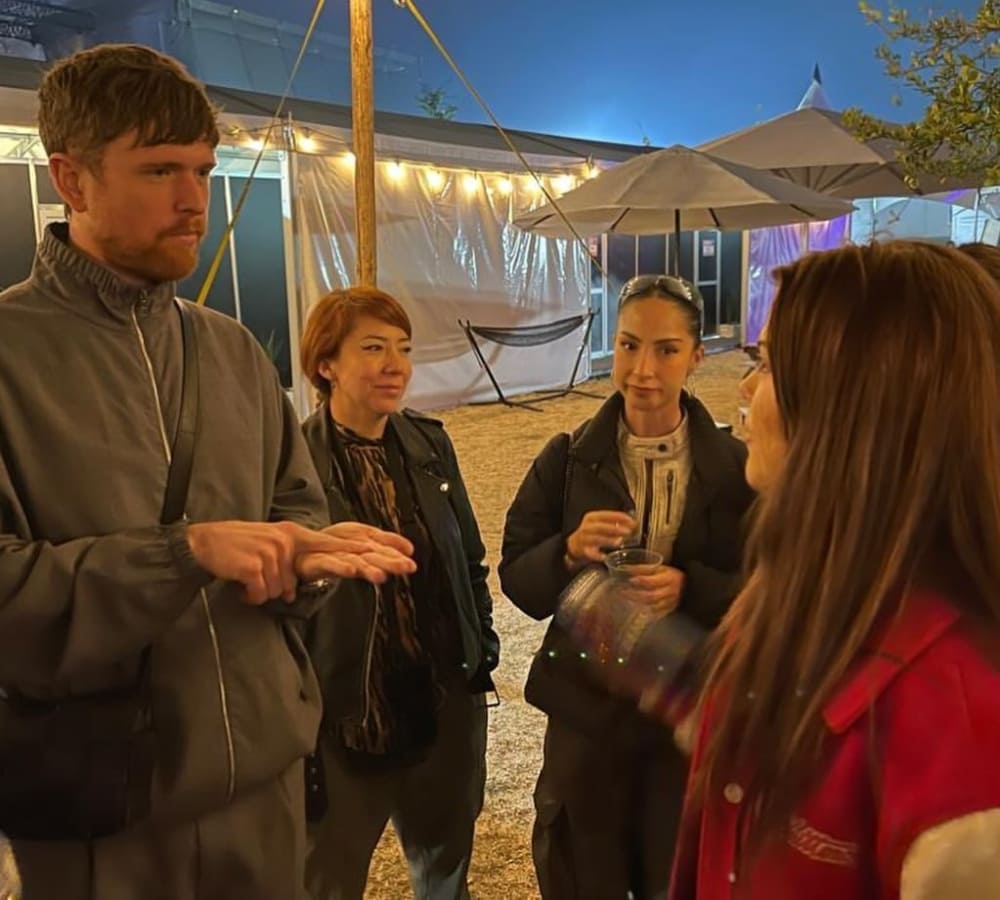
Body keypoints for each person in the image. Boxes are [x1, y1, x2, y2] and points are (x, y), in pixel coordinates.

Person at [0, 44, 414, 899]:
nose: (196, 202)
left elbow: (289, 519)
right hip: (103, 813)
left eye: (203, 168)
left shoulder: (228, 349)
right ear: (71, 180)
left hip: (262, 796)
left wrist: (304, 562)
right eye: (160, 171)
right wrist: (182, 554)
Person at [671, 241, 1000, 900]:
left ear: (845, 408)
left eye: (765, 363)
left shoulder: (954, 727)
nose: (745, 388)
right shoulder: (791, 588)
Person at [500, 274, 754, 899]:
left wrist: (687, 587)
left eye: (666, 350)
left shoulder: (736, 467)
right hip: (587, 714)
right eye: (628, 345)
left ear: (697, 355)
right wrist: (566, 551)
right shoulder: (567, 459)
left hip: (687, 715)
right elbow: (516, 578)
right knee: (588, 875)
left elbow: (766, 584)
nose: (643, 369)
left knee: (677, 875)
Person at [298, 287, 500, 900]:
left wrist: (480, 649)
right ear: (326, 364)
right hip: (347, 714)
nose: (396, 364)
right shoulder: (293, 463)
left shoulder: (429, 444)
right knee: (327, 879)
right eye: (374, 348)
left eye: (404, 349)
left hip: (440, 700)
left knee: (445, 871)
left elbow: (467, 558)